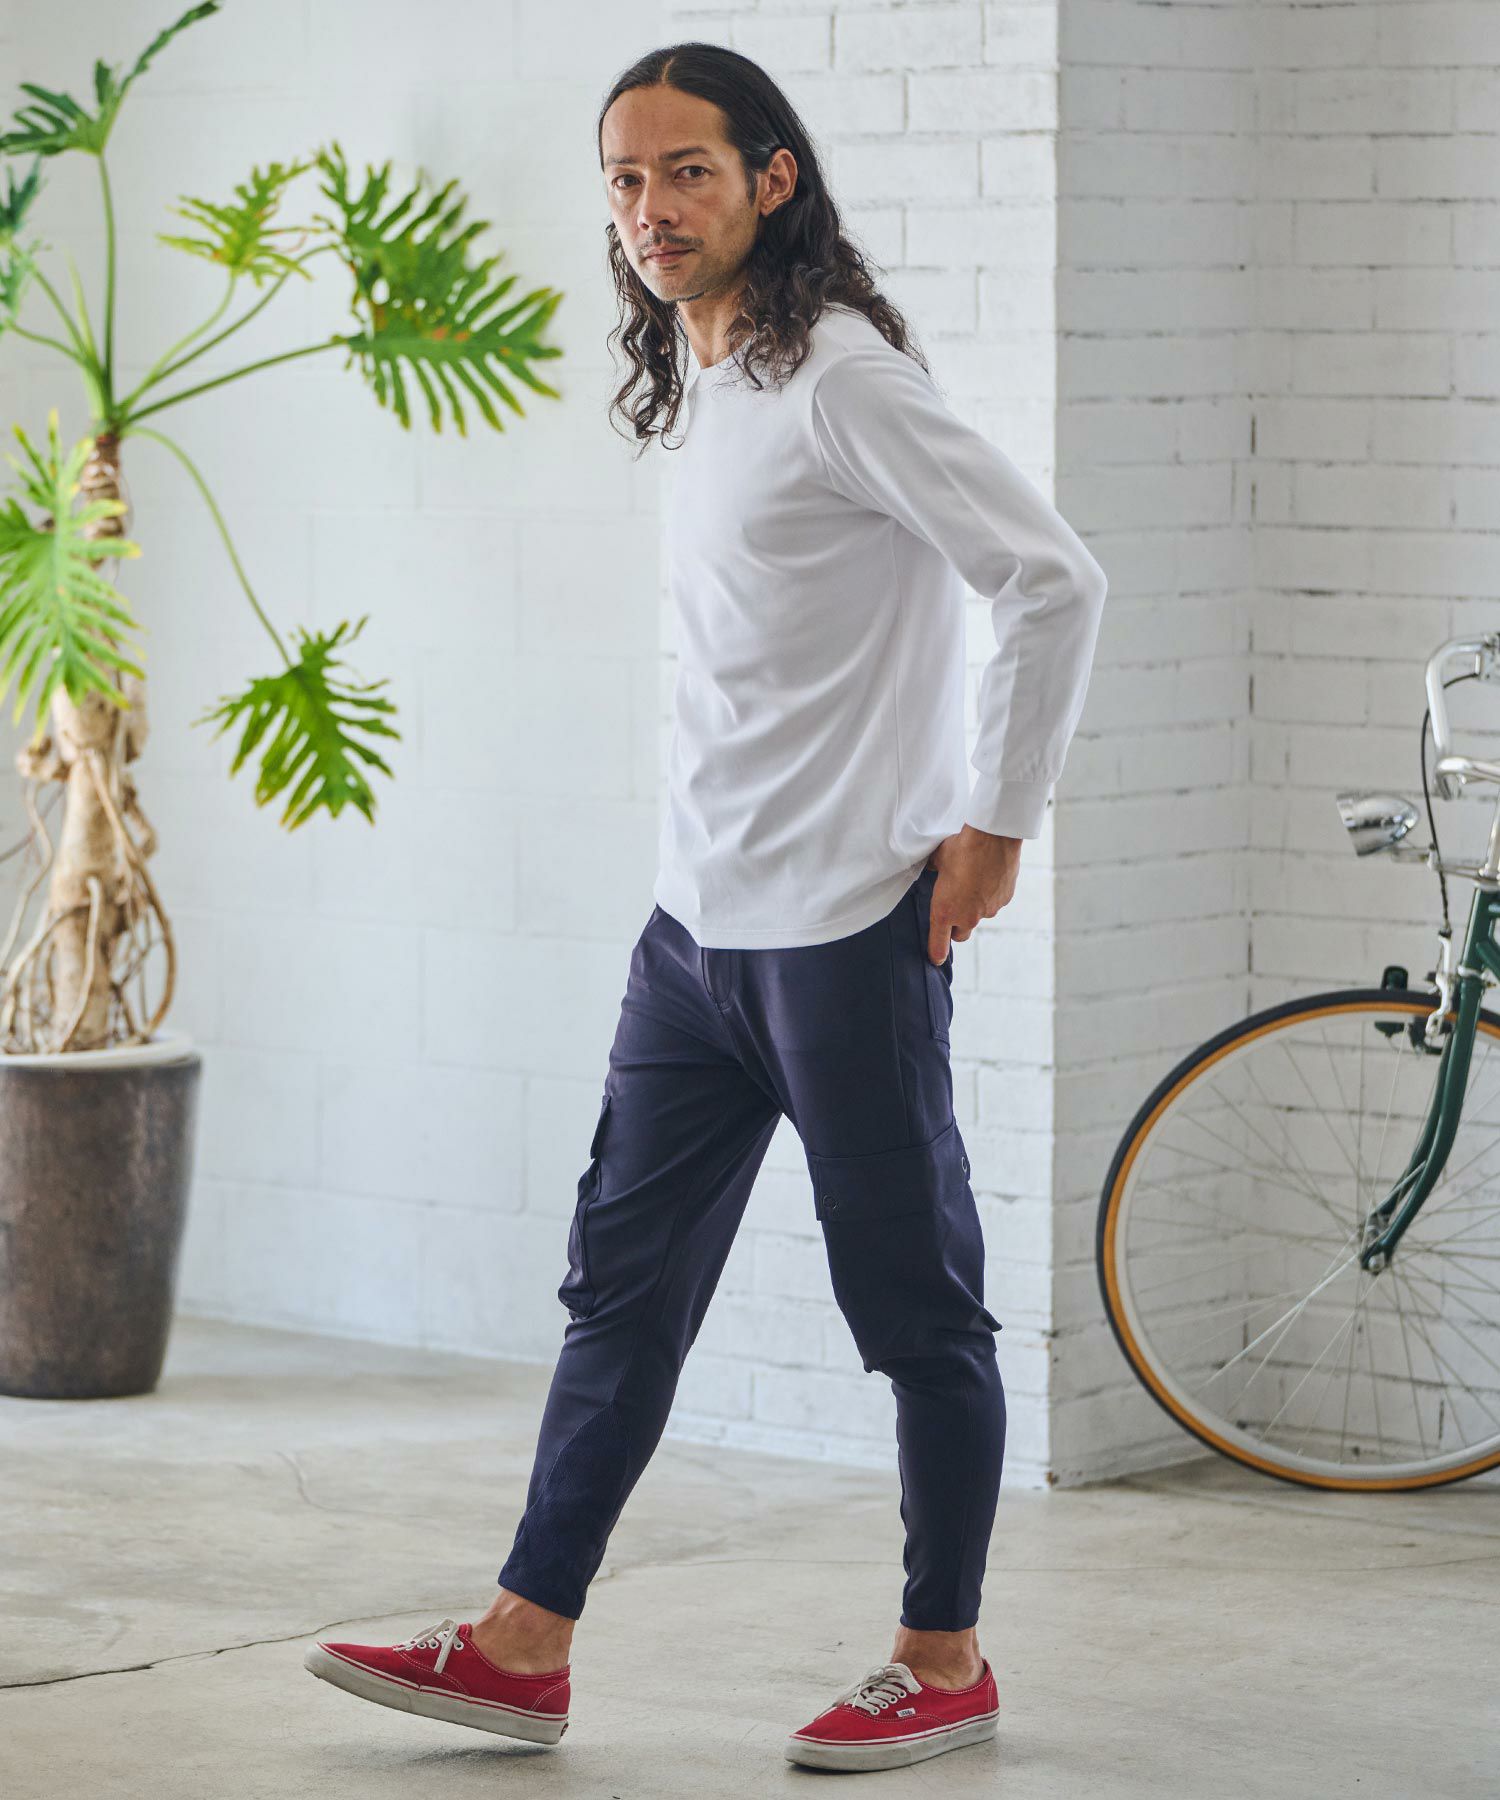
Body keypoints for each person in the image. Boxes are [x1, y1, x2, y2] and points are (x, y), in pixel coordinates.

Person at [302, 40, 1108, 1776]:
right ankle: (522, 1646)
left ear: (771, 178)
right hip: (692, 939)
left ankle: (945, 1659)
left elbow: (1051, 579)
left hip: (845, 937)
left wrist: (995, 828)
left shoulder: (843, 381)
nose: (649, 208)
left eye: (686, 171)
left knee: (916, 1311)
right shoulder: (713, 368)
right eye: (624, 178)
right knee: (621, 1292)